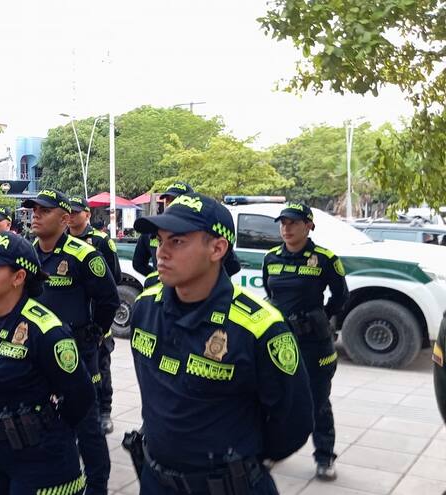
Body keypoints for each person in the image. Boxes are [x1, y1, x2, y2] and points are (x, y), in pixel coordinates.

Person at [131, 193, 314, 494]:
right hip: (155, 481)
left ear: (217, 248)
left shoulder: (260, 327)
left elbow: (293, 422)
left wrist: (242, 459)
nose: (161, 253)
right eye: (159, 240)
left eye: (176, 242)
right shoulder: (145, 308)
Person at [0, 231, 95, 494]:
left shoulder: (46, 330)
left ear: (18, 277)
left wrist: (42, 427)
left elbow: (81, 396)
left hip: (39, 457)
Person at [22, 189, 120, 495]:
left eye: (44, 210)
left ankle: (97, 486)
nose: (35, 214)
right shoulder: (25, 253)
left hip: (77, 353)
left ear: (65, 218)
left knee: (87, 425)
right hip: (36, 355)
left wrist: (96, 333)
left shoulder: (85, 255)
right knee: (43, 419)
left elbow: (109, 300)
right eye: (33, 209)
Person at [263, 202, 348, 481]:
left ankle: (324, 458)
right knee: (273, 397)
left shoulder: (324, 259)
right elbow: (270, 293)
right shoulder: (271, 258)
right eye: (283, 223)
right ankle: (271, 450)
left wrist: (320, 317)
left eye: (293, 223)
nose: (286, 228)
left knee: (317, 401)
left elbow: (340, 297)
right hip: (281, 341)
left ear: (309, 225)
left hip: (314, 343)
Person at [67, 196, 121, 434]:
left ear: (87, 214)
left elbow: (114, 279)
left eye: (77, 212)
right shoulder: (60, 241)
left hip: (96, 320)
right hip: (71, 322)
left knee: (101, 367)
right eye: (68, 211)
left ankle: (104, 410)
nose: (71, 215)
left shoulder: (100, 241)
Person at [132, 181, 193, 276]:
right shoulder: (151, 228)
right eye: (168, 200)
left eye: (176, 200)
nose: (170, 203)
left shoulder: (200, 231)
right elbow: (138, 263)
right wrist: (157, 277)